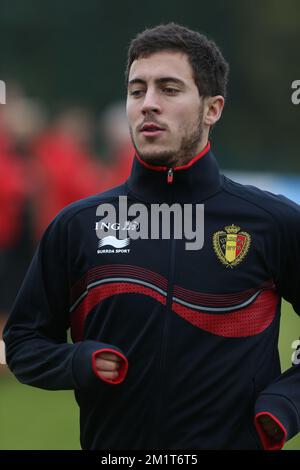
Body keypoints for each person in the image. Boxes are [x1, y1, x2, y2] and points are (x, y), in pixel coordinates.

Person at [3, 23, 300, 450]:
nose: (148, 104)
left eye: (169, 89)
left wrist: (284, 404)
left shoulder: (271, 222)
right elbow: (23, 343)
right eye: (137, 90)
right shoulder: (77, 226)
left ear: (212, 108)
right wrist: (77, 360)